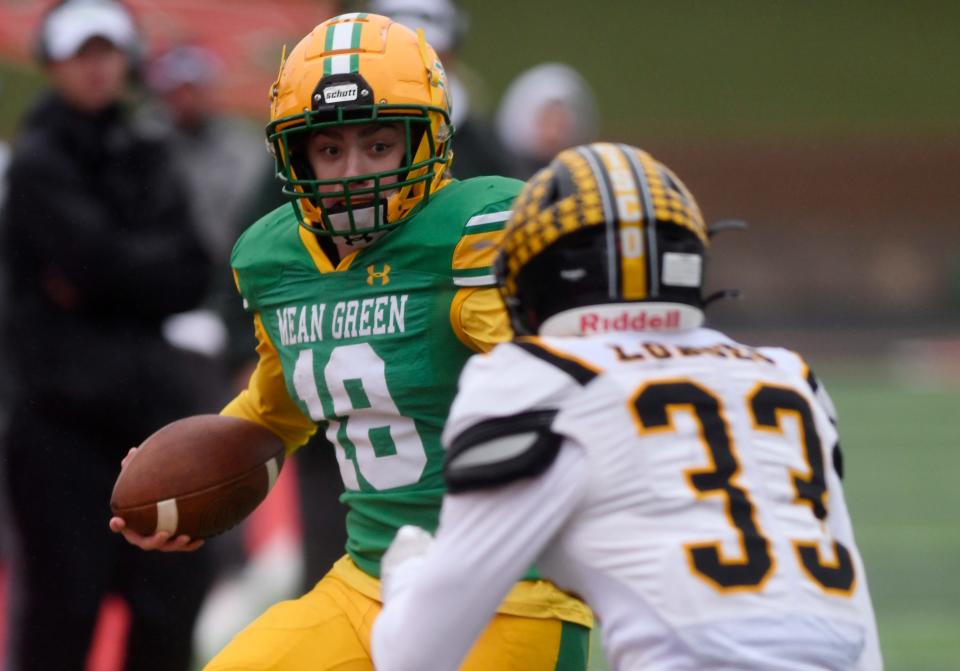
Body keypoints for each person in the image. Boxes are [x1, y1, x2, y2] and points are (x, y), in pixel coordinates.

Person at [111, 12, 592, 671]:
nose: (354, 170)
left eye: (378, 145)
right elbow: (274, 412)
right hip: (368, 582)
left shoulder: (472, 233)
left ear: (425, 142)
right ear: (296, 154)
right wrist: (183, 483)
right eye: (331, 150)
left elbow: (577, 382)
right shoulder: (275, 258)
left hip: (509, 591)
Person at [371, 143, 883, 670]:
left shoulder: (534, 380)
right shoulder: (788, 377)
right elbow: (858, 626)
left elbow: (412, 656)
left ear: (533, 280)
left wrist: (407, 569)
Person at [0, 1, 215, 669]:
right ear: (55, 65)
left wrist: (108, 272)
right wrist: (132, 263)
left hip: (146, 422)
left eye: (107, 52)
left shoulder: (149, 149)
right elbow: (100, 258)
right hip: (58, 425)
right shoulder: (35, 163)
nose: (96, 69)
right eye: (81, 55)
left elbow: (191, 268)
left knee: (168, 603)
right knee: (63, 610)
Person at [368, 0, 519, 179]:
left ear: (450, 55)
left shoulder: (485, 147)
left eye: (427, 54)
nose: (416, 67)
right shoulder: (345, 124)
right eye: (398, 57)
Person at [495, 62, 599, 179]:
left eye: (560, 126)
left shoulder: (578, 177)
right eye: (546, 123)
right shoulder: (501, 170)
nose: (553, 135)